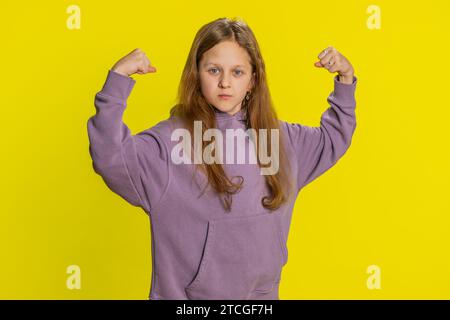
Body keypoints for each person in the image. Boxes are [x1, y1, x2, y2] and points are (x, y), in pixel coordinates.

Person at [87, 17, 357, 300]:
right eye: (214, 70)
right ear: (196, 74)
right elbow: (110, 157)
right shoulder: (169, 144)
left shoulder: (281, 141)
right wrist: (117, 82)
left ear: (253, 79)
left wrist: (346, 80)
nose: (225, 82)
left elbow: (333, 138)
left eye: (237, 72)